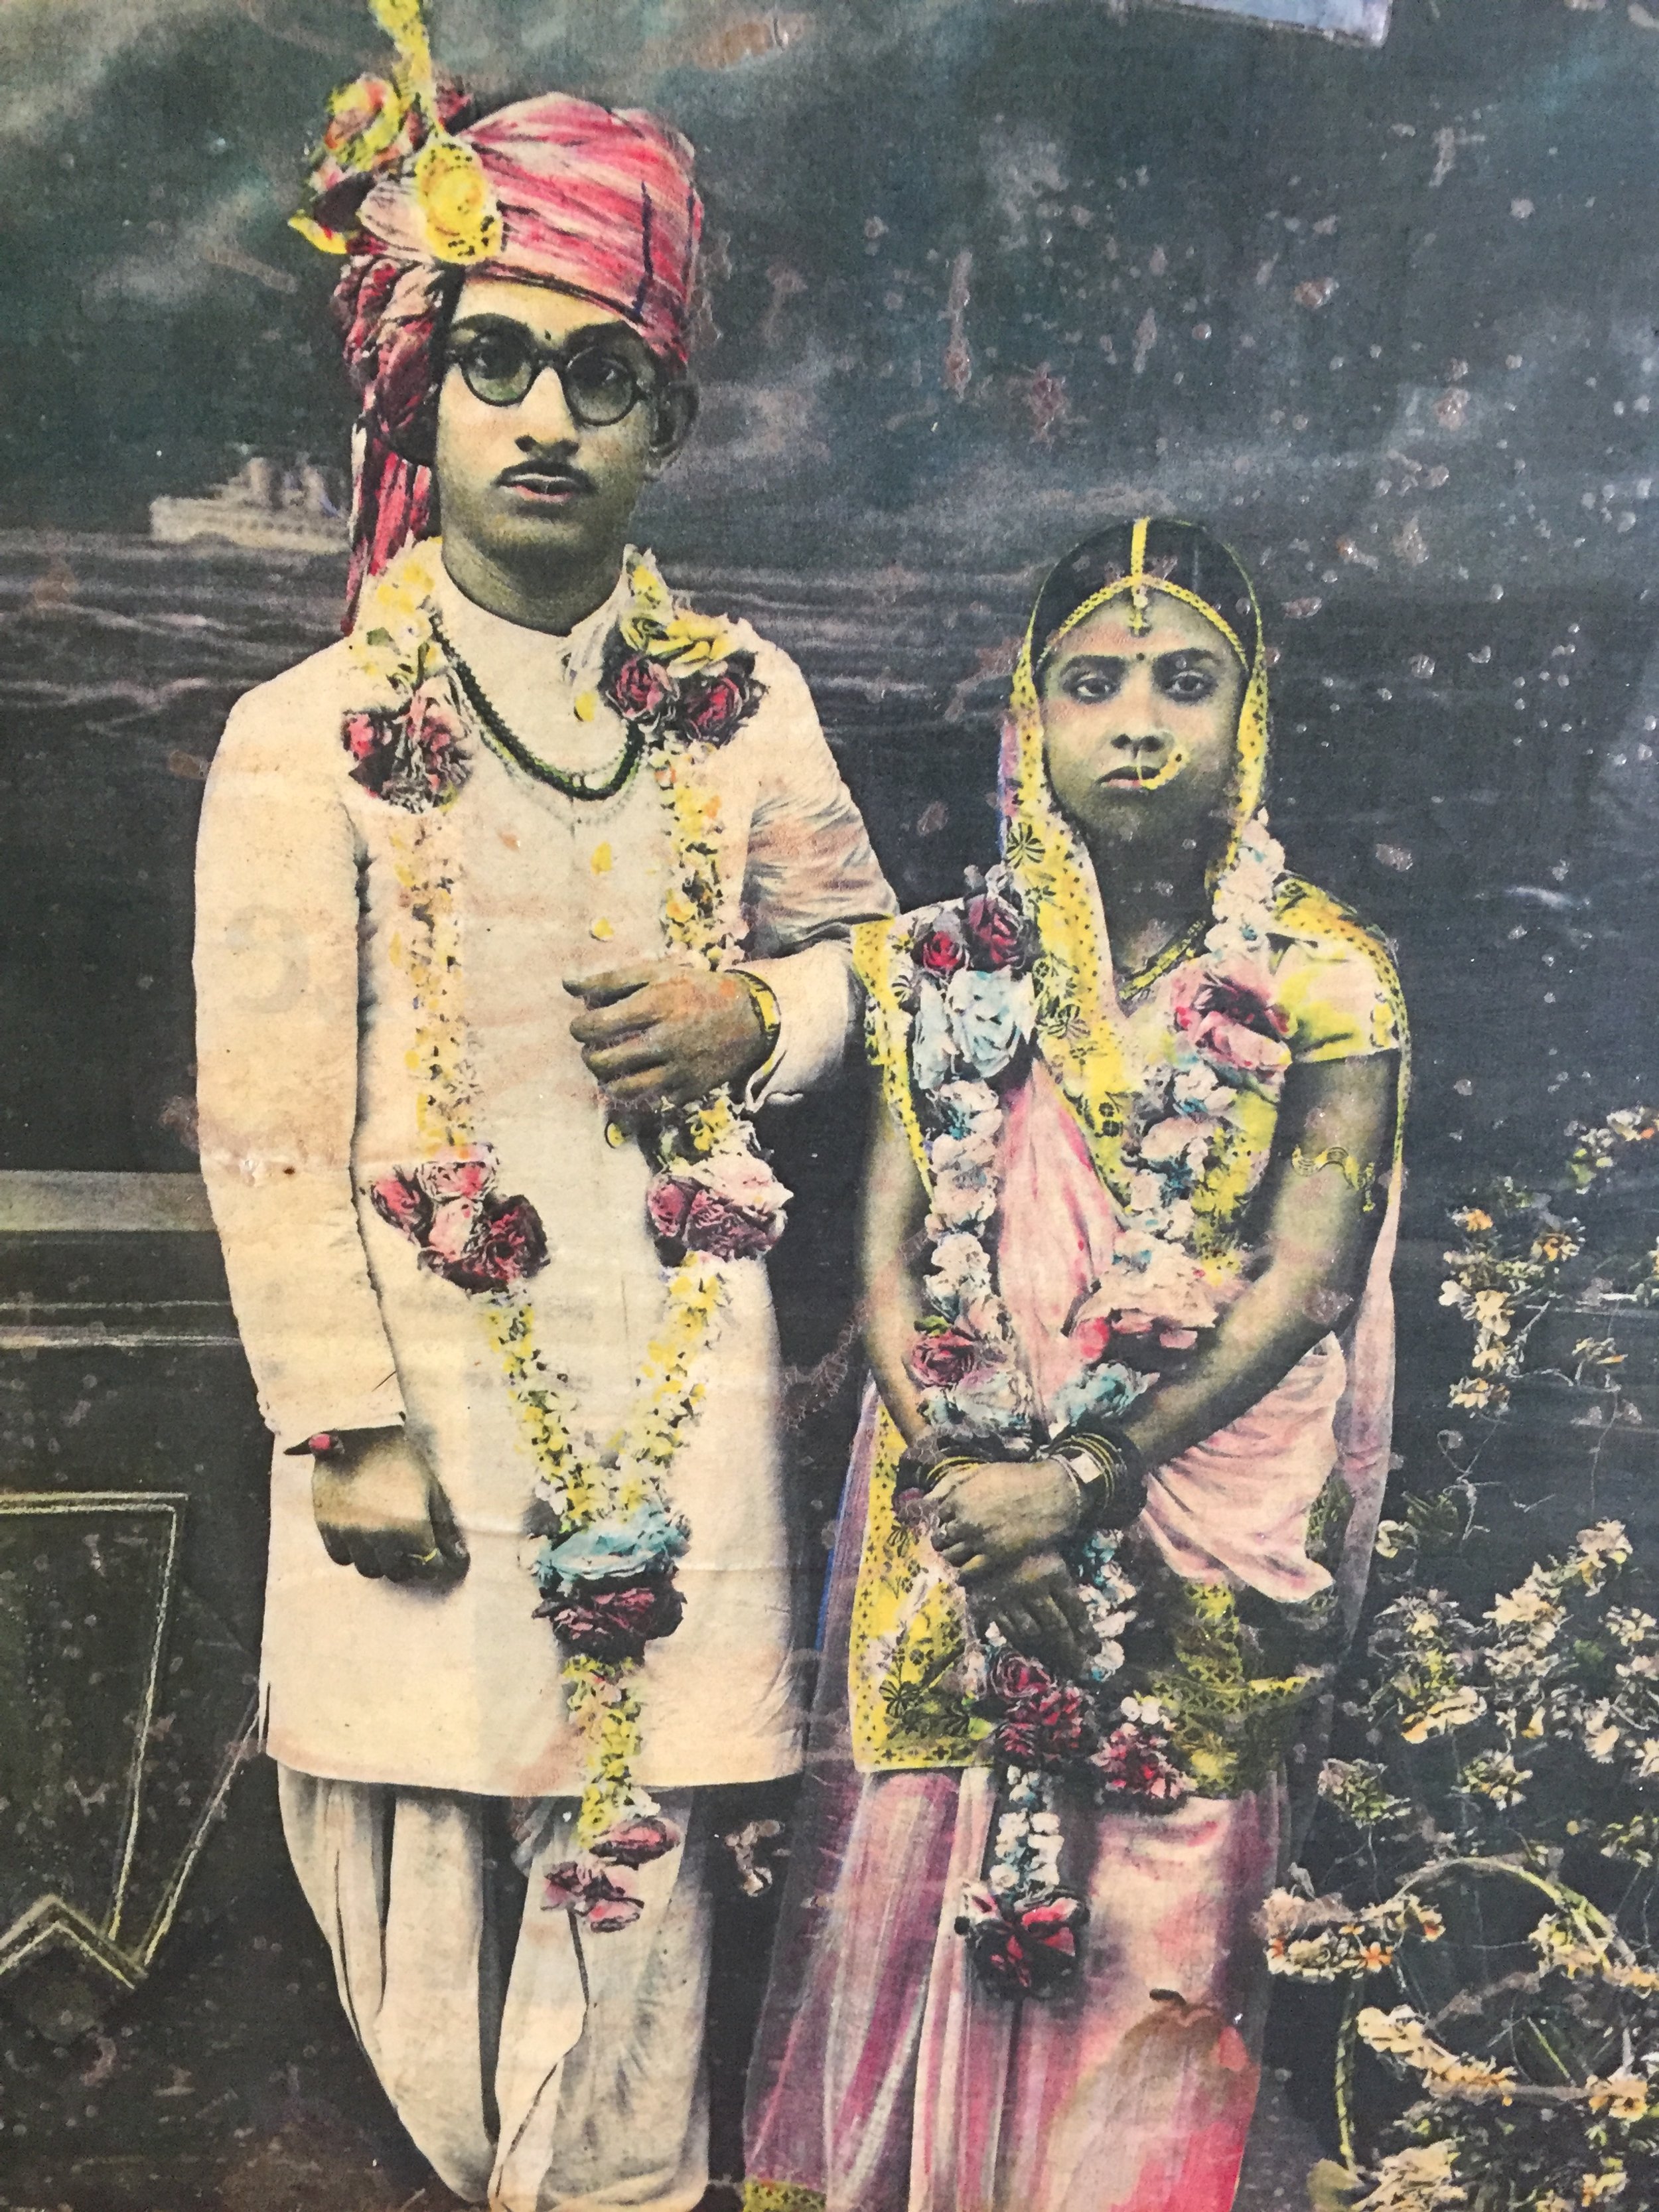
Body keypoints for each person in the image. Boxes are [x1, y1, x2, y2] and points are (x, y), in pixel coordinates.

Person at [192, 8, 893, 2207]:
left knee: (647, 1887)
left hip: (668, 1405)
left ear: (665, 421)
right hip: (429, 1402)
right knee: (407, 1882)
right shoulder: (301, 738)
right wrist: (347, 1419)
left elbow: (872, 963)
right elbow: (274, 1124)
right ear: (422, 385)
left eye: (605, 378)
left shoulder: (743, 703)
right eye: (500, 364)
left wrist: (750, 1019)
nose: (546, 421)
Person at [742, 518, 1407, 2212]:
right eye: (1090, 682)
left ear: (1246, 716)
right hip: (967, 1533)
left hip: (1197, 1521)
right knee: (920, 1904)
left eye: (1183, 683)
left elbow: (1307, 1282)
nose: (1134, 722)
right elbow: (888, 1254)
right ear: (1026, 720)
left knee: (1158, 1946)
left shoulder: (1324, 975)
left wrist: (1086, 1478)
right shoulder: (948, 965)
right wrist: (980, 1491)